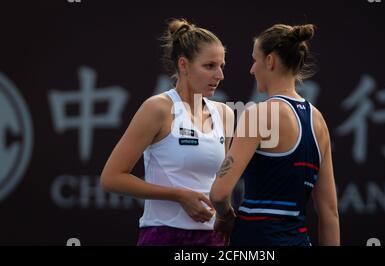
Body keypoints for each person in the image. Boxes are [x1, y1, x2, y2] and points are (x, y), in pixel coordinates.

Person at [100, 18, 234, 246]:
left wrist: (225, 214)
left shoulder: (225, 113)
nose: (219, 75)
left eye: (221, 66)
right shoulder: (158, 108)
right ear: (183, 65)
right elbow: (111, 178)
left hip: (212, 238)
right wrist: (179, 195)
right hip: (163, 236)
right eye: (210, 66)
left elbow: (222, 180)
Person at [210, 23, 340, 246]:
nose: (252, 69)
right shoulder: (318, 120)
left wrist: (225, 216)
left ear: (270, 61)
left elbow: (219, 193)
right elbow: (329, 212)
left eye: (255, 60)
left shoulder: (259, 114)